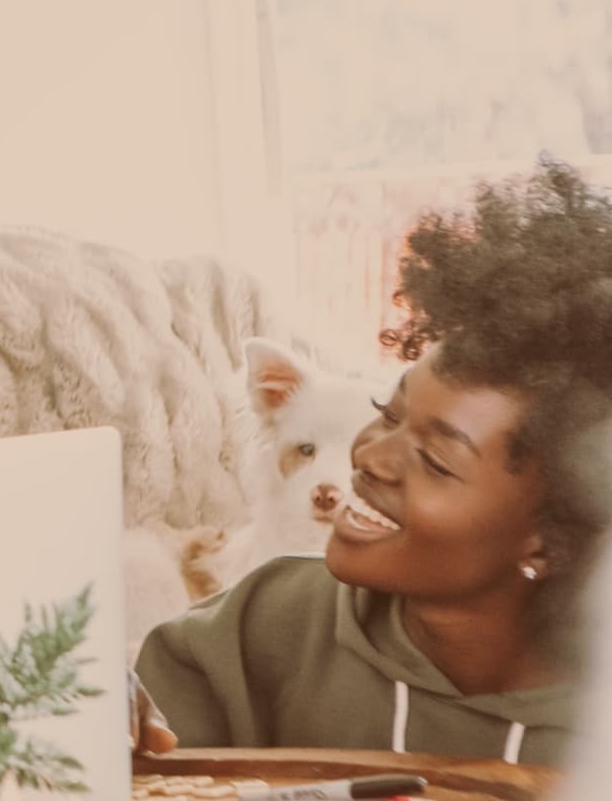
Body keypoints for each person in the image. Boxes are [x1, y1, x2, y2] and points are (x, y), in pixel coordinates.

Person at [137, 158, 612, 767]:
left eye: (436, 461)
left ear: (548, 541)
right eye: (389, 413)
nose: (369, 457)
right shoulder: (264, 624)